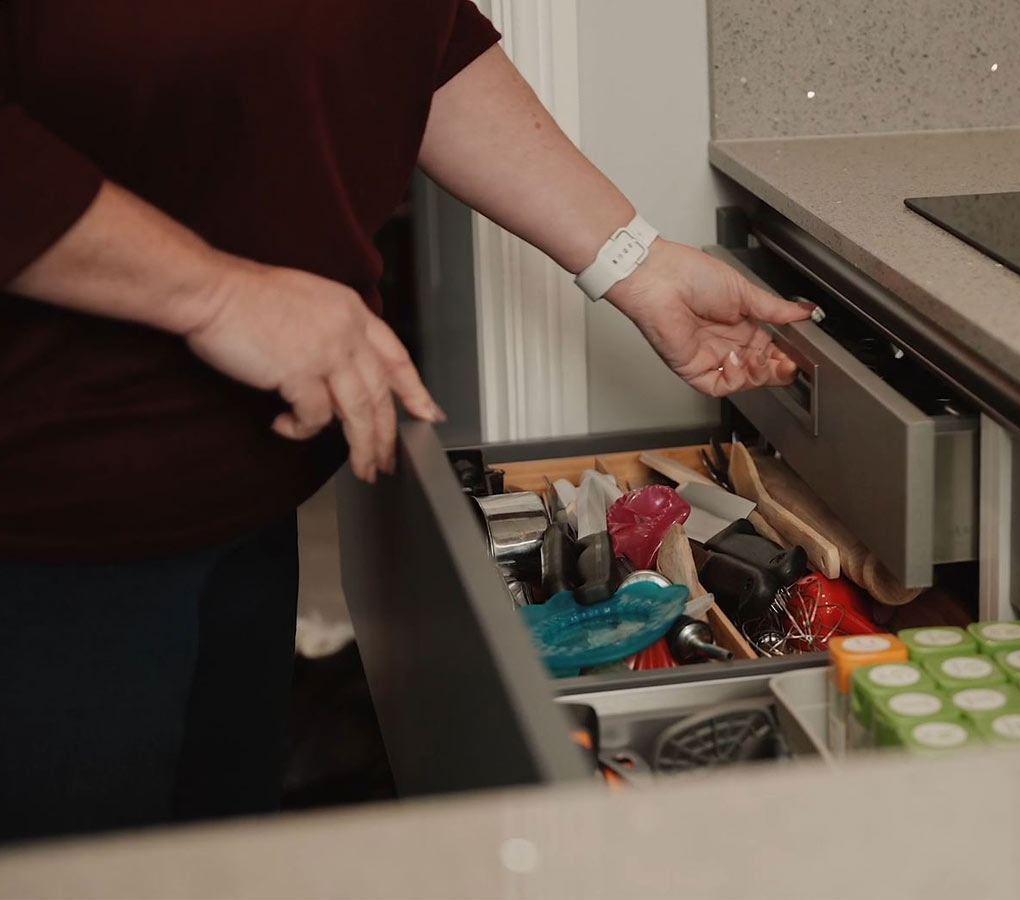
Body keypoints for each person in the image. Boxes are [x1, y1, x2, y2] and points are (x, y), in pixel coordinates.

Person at [0, 0, 809, 842]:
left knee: (214, 846)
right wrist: (213, 292)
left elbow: (415, 38)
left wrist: (634, 261)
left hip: (245, 479)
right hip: (45, 519)